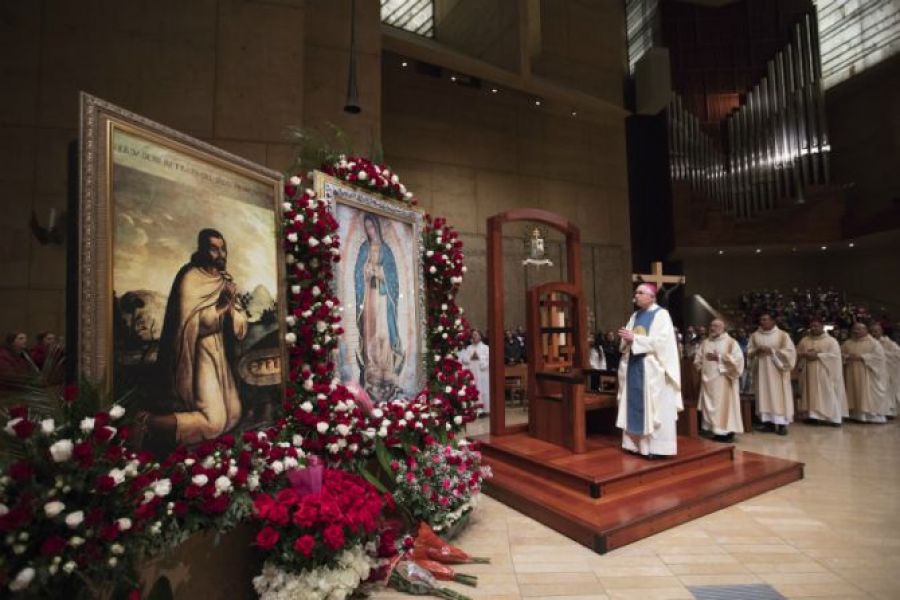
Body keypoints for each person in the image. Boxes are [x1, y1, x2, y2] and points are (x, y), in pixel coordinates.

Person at [146, 228, 248, 447]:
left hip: (219, 351)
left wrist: (234, 311)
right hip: (196, 352)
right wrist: (222, 306)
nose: (220, 254)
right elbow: (191, 324)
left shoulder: (224, 280)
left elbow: (239, 323)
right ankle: (149, 423)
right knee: (214, 423)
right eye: (214, 249)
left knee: (234, 415)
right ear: (202, 250)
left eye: (223, 249)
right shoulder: (191, 278)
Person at [615, 283, 682, 458]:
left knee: (655, 409)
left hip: (653, 372)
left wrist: (634, 338)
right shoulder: (636, 315)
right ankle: (636, 445)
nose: (635, 295)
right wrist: (626, 339)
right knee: (635, 405)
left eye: (640, 292)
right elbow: (627, 341)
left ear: (652, 296)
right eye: (636, 292)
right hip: (635, 367)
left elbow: (661, 343)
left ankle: (656, 449)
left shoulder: (661, 315)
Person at [355, 214, 403, 402]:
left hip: (383, 297)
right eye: (367, 229)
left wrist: (381, 273)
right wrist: (366, 271)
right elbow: (358, 272)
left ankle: (386, 370)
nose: (370, 232)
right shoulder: (363, 248)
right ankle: (372, 371)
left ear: (377, 227)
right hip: (369, 296)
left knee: (383, 331)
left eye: (372, 227)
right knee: (370, 331)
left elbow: (393, 275)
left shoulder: (387, 250)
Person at [694, 319, 744, 442]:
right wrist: (700, 366)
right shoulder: (705, 343)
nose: (712, 328)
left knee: (725, 407)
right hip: (708, 383)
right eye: (711, 325)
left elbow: (738, 361)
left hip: (724, 381)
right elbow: (698, 359)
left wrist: (720, 358)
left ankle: (727, 432)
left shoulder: (731, 343)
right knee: (712, 407)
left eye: (716, 326)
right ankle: (715, 431)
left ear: (723, 328)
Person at [748, 313, 796, 435]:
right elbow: (749, 352)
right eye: (761, 320)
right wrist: (757, 350)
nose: (762, 322)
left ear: (773, 321)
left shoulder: (782, 335)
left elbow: (790, 352)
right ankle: (767, 423)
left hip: (777, 370)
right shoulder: (755, 336)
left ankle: (781, 425)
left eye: (765, 319)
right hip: (762, 371)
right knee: (764, 395)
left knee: (778, 396)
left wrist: (772, 351)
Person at [796, 320, 846, 426]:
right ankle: (813, 417)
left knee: (827, 393)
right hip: (808, 371)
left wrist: (818, 355)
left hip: (824, 371)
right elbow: (797, 353)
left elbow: (835, 356)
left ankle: (833, 418)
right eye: (812, 326)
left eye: (816, 326)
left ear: (822, 327)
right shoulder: (805, 340)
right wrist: (804, 354)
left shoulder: (831, 341)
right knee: (810, 394)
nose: (813, 328)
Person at [842, 322, 889, 423]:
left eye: (859, 329)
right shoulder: (848, 343)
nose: (856, 331)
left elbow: (879, 358)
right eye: (854, 329)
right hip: (851, 372)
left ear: (865, 330)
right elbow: (841, 355)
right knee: (854, 392)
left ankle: (871, 416)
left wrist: (862, 357)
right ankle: (856, 415)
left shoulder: (873, 343)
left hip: (868, 374)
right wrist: (846, 357)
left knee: (866, 394)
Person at [871, 323, 900, 418]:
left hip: (887, 371)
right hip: (874, 371)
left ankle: (889, 412)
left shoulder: (889, 343)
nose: (874, 333)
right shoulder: (869, 342)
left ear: (881, 331)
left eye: (876, 331)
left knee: (887, 392)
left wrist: (882, 354)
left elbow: (897, 355)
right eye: (872, 331)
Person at [460, 330, 490, 416]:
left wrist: (481, 360)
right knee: (473, 390)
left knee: (483, 390)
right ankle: (474, 410)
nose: (474, 336)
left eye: (476, 335)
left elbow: (488, 360)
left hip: (482, 373)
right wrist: (470, 358)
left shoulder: (486, 348)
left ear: (480, 336)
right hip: (472, 372)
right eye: (473, 335)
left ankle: (484, 410)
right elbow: (464, 360)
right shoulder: (469, 348)